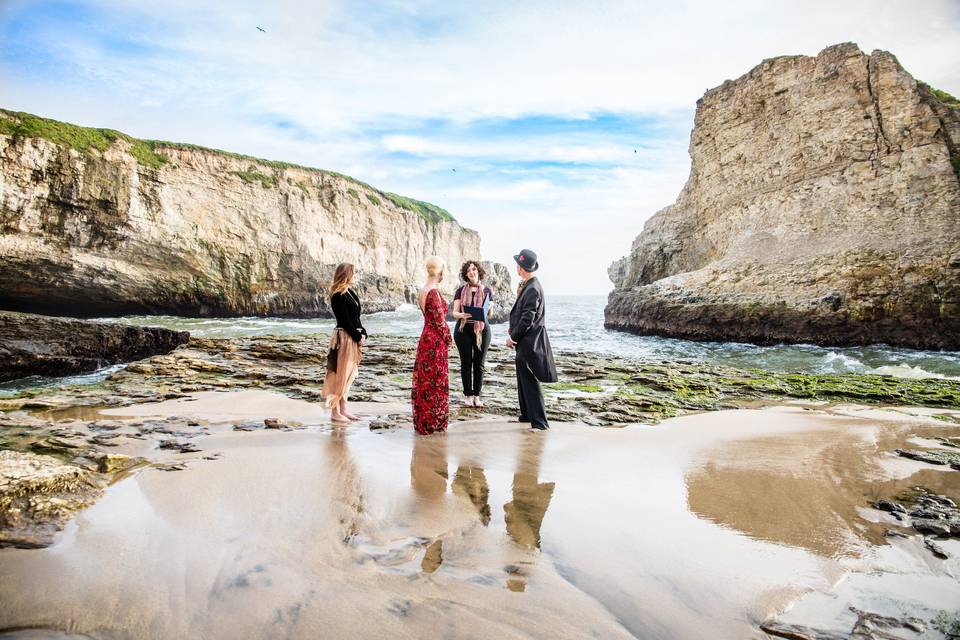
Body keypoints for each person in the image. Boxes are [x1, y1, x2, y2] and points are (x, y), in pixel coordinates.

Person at [506, 249, 557, 430]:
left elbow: (528, 319)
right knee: (523, 379)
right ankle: (527, 415)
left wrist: (512, 337)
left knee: (530, 381)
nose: (516, 268)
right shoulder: (530, 285)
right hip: (526, 342)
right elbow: (523, 315)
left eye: (518, 265)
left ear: (521, 268)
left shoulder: (533, 288)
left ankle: (540, 423)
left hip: (530, 342)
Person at [412, 256, 453, 435]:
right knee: (436, 380)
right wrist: (449, 339)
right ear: (441, 272)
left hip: (426, 337)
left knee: (426, 380)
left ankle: (426, 420)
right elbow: (439, 321)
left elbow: (429, 318)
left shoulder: (423, 290)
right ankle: (433, 422)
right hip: (435, 341)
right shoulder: (433, 292)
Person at [322, 262, 367, 422]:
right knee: (339, 374)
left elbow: (355, 318)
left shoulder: (350, 293)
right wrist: (357, 336)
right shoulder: (337, 295)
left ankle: (344, 409)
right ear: (347, 274)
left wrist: (363, 333)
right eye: (353, 273)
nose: (355, 276)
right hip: (343, 338)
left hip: (352, 337)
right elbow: (344, 320)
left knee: (348, 375)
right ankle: (335, 412)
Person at [451, 260, 493, 408]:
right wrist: (462, 315)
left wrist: (490, 307)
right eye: (468, 270)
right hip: (463, 329)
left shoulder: (487, 290)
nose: (471, 272)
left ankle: (477, 395)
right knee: (466, 363)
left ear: (478, 271)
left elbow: (490, 316)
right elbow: (454, 312)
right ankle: (468, 395)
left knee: (479, 364)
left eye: (474, 269)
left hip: (482, 330)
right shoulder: (460, 291)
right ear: (466, 274)